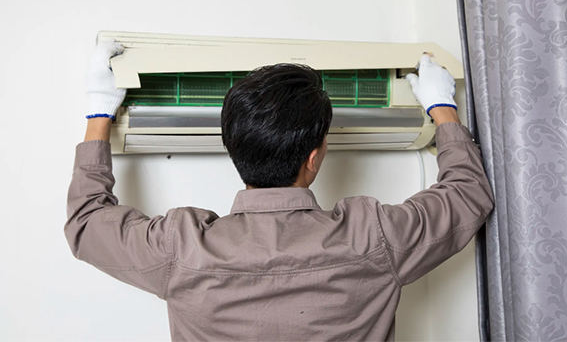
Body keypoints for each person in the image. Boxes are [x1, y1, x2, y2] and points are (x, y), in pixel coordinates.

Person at [65, 41, 494, 341]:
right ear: (314, 158)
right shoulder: (374, 236)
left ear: (233, 150)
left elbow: (86, 222)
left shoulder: (181, 248)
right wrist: (442, 108)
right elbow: (468, 193)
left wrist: (100, 109)